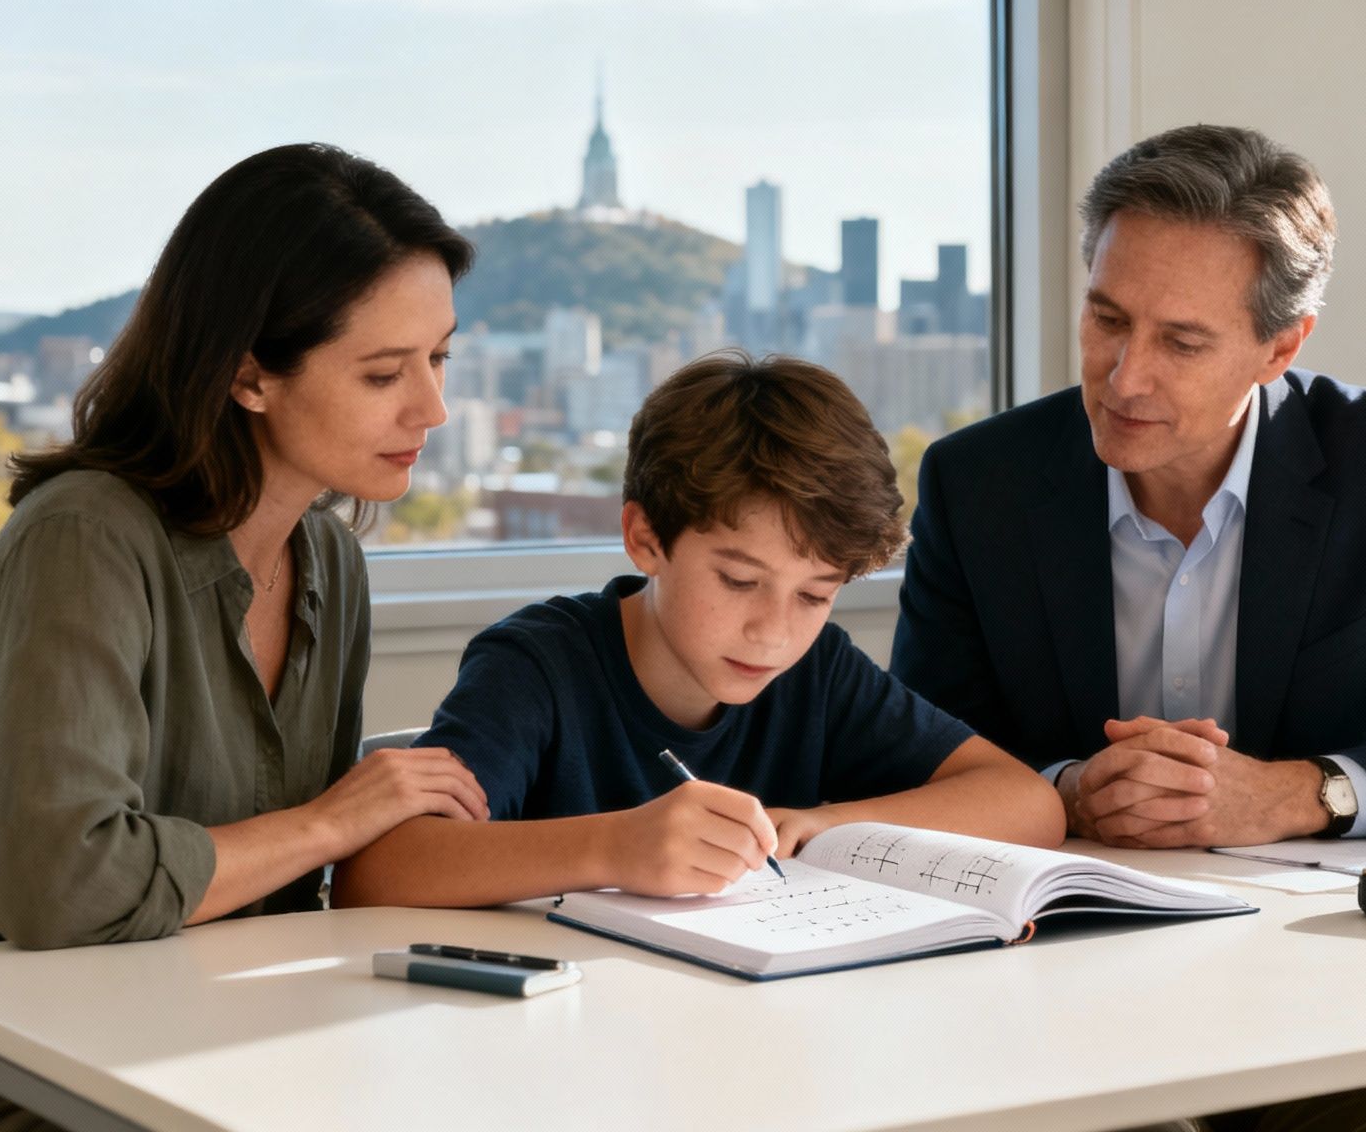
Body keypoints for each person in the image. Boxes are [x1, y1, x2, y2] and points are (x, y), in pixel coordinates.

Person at [890, 125, 1366, 1127]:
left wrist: (1298, 793)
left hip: (1341, 980)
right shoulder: (979, 482)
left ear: (1282, 347)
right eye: (1107, 319)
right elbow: (914, 758)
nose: (1124, 376)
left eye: (1181, 342)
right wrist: (1066, 793)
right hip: (1055, 978)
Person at [0, 143, 490, 1132]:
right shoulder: (85, 536)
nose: (432, 407)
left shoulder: (331, 563)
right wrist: (332, 822)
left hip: (205, 1032)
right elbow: (64, 890)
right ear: (249, 375)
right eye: (385, 372)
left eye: (439, 359)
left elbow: (287, 895)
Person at [333, 350, 1063, 909]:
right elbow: (377, 872)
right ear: (645, 539)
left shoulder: (817, 673)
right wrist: (615, 847)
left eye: (815, 595)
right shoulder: (536, 666)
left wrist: (829, 824)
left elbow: (1027, 802)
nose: (773, 633)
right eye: (739, 581)